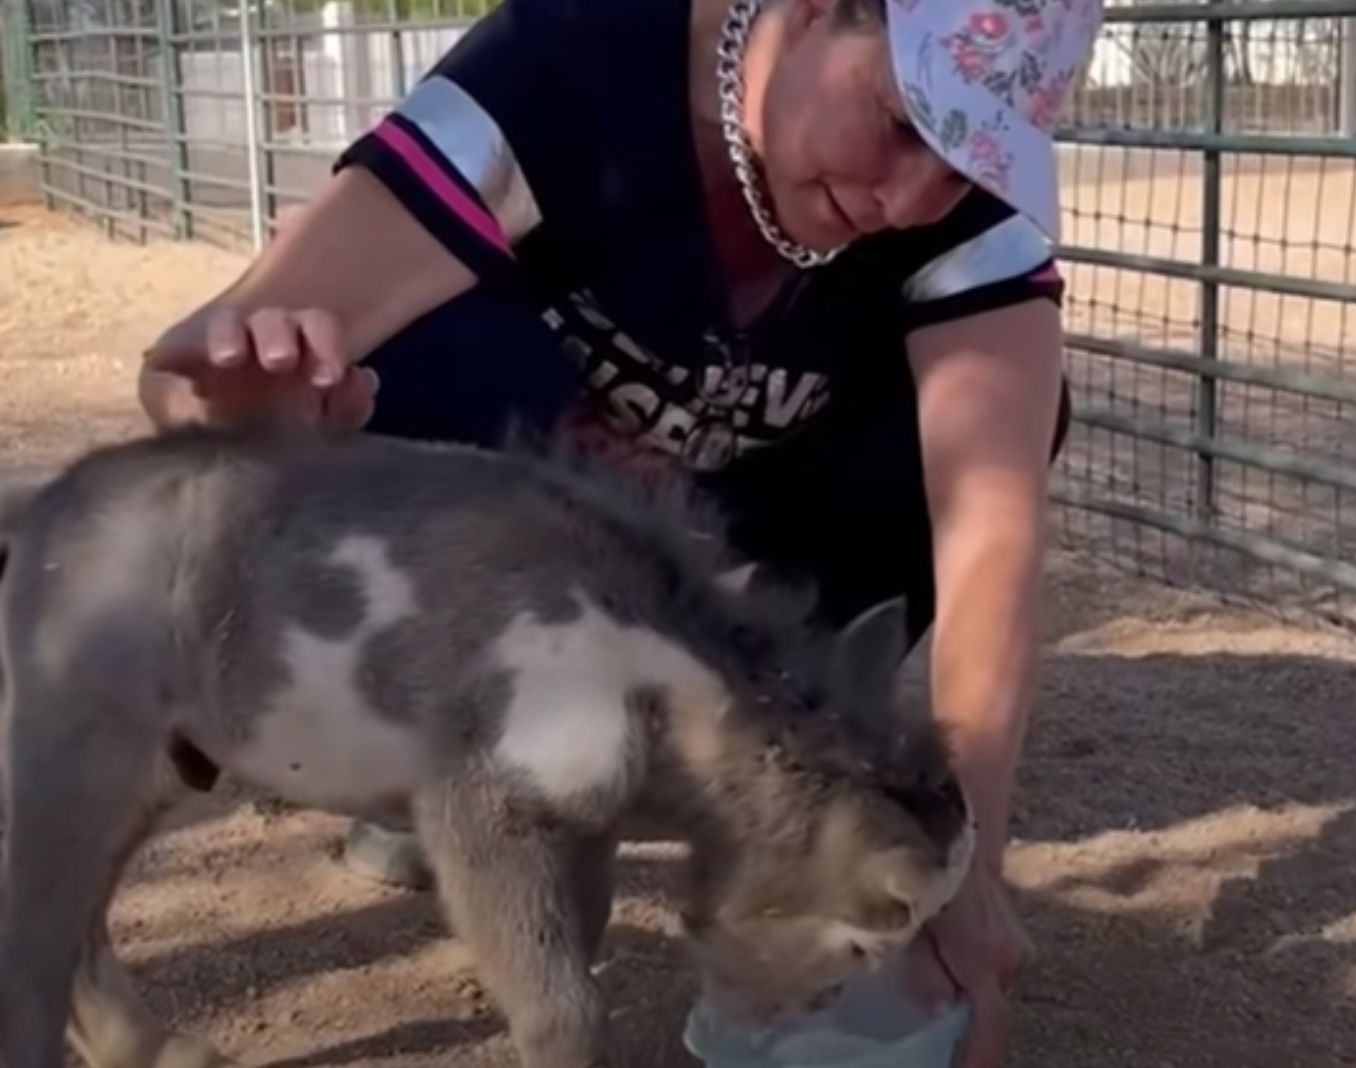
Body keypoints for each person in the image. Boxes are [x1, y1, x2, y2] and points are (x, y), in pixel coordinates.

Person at [136, 0, 1103, 1064]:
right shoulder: (571, 59)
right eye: (906, 121)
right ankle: (448, 760)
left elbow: (991, 543)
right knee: (424, 366)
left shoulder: (963, 218)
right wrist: (243, 408)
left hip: (725, 525)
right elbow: (210, 372)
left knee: (1001, 419)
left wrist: (968, 886)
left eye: (969, 159)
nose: (914, 197)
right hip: (513, 502)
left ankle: (769, 795)